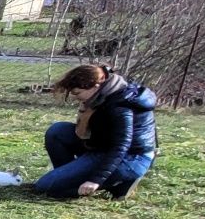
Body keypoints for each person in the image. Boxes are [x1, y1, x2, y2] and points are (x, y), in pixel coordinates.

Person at [32, 63, 158, 199]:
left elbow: (121, 146)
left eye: (77, 93)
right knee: (57, 131)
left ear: (95, 86)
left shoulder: (120, 106)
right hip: (102, 147)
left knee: (46, 187)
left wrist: (95, 180)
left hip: (129, 158)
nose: (75, 97)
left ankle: (117, 182)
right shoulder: (104, 95)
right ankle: (68, 178)